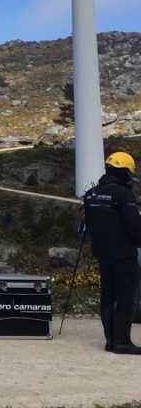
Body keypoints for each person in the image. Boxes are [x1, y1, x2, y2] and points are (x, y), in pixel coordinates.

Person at [83, 151, 141, 354]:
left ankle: (111, 341)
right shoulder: (123, 194)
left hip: (102, 252)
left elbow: (89, 224)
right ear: (125, 172)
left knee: (108, 295)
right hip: (123, 253)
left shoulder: (91, 194)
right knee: (126, 296)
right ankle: (123, 342)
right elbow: (133, 225)